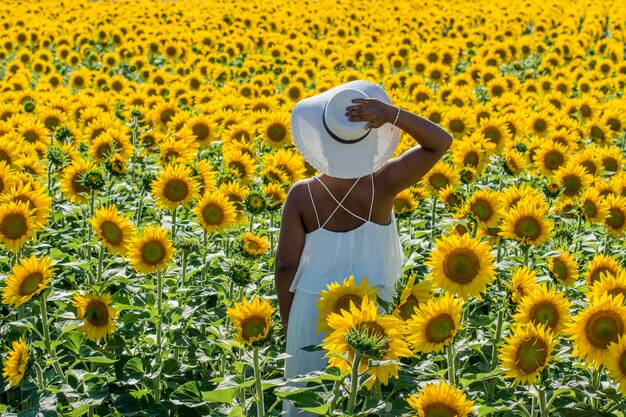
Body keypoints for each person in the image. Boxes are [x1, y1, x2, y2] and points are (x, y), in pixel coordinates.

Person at [274, 80, 452, 416]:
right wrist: (392, 115)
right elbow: (440, 143)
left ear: (322, 145)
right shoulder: (384, 183)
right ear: (370, 143)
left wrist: (289, 324)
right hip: (372, 316)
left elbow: (285, 266)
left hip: (314, 313)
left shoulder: (301, 194)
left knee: (308, 403)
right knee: (364, 402)